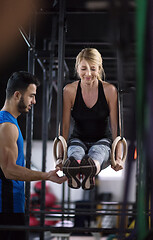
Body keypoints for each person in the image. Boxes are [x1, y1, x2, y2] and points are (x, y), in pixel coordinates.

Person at [0, 71, 67, 239]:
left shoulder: (8, 122)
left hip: (10, 207)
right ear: (17, 95)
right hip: (7, 208)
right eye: (31, 96)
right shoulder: (7, 126)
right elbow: (9, 170)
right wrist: (46, 176)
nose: (34, 101)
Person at [59, 48, 124, 190]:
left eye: (93, 69)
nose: (88, 74)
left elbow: (115, 126)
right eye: (83, 68)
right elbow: (64, 125)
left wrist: (118, 157)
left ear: (99, 68)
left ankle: (91, 169)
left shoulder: (109, 90)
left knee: (97, 152)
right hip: (78, 139)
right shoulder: (69, 91)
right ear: (77, 68)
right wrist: (59, 157)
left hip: (103, 141)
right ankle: (75, 170)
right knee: (75, 152)